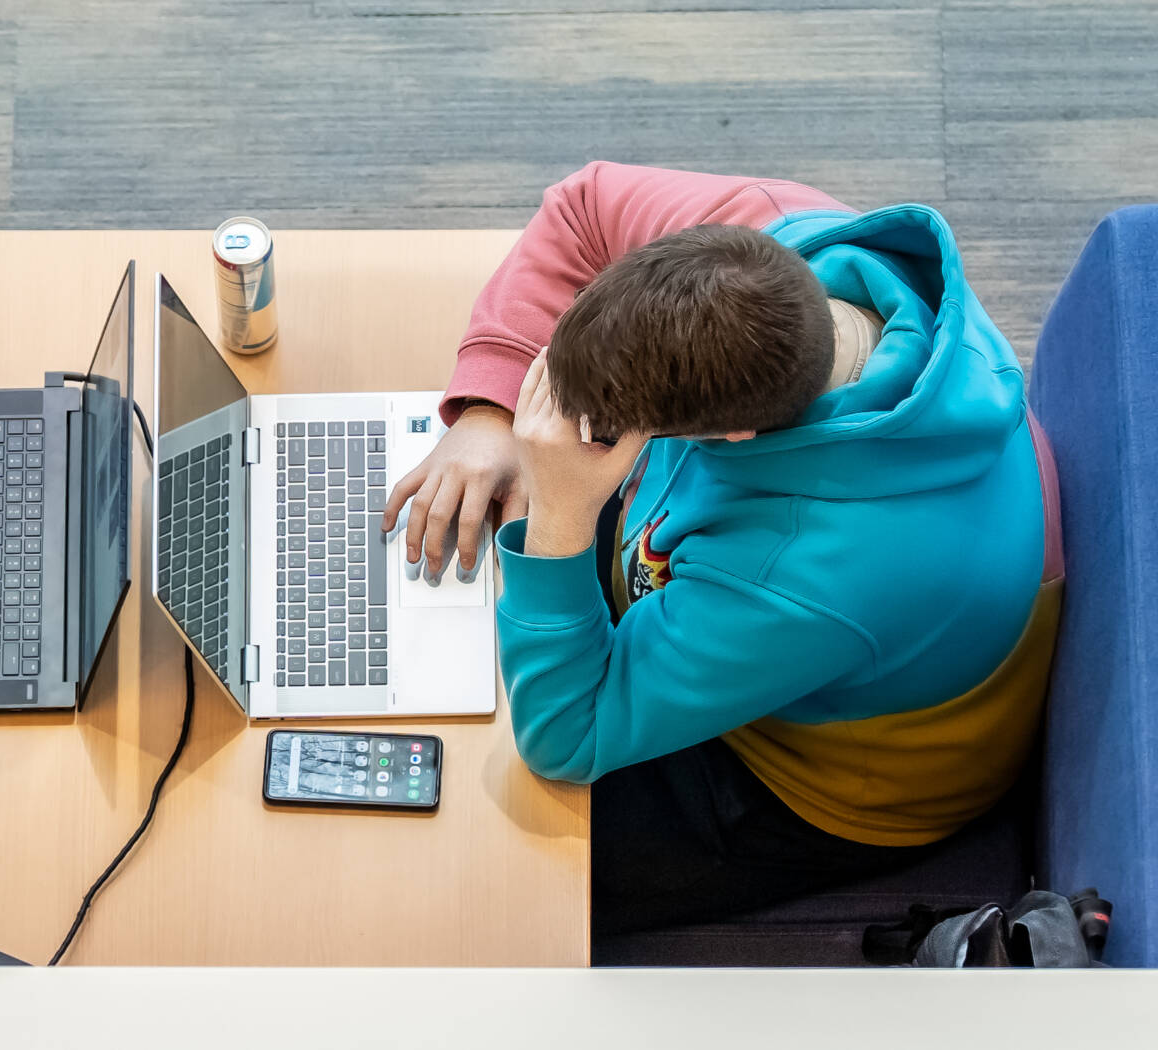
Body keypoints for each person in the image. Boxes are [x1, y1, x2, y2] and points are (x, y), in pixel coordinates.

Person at [384, 162, 1062, 932]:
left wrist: (563, 518)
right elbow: (584, 206)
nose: (561, 427)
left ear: (730, 435)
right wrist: (492, 411)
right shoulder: (766, 245)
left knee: (478, 878)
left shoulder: (808, 570)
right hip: (765, 595)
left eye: (602, 427)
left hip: (806, 772)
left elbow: (569, 735)